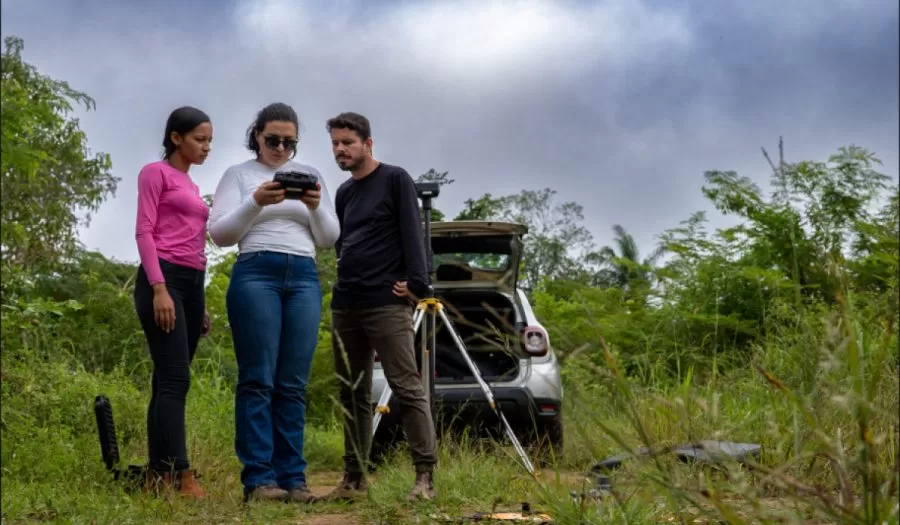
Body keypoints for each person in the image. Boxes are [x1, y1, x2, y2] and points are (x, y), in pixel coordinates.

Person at [208, 102, 340, 503]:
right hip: (256, 271)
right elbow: (220, 234)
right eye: (273, 140)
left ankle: (294, 480)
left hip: (303, 273)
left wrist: (315, 207)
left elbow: (329, 237)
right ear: (257, 137)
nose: (281, 149)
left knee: (292, 383)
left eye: (289, 142)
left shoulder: (312, 176)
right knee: (258, 378)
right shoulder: (239, 175)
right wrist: (256, 202)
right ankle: (260, 480)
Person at [322, 111, 438, 503]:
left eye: (348, 143)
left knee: (406, 386)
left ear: (368, 144)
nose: (340, 149)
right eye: (336, 143)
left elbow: (414, 232)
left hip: (386, 302)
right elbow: (342, 244)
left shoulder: (394, 179)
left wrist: (418, 284)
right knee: (352, 390)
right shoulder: (343, 193)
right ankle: (354, 479)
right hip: (346, 302)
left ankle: (424, 478)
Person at [133, 106, 214, 499]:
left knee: (166, 380)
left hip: (192, 282)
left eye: (210, 140)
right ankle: (182, 474)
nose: (206, 147)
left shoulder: (192, 186)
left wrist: (200, 302)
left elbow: (193, 241)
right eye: (200, 139)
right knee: (177, 379)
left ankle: (157, 475)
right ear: (176, 137)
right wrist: (160, 288)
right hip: (161, 279)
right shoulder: (155, 173)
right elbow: (145, 232)